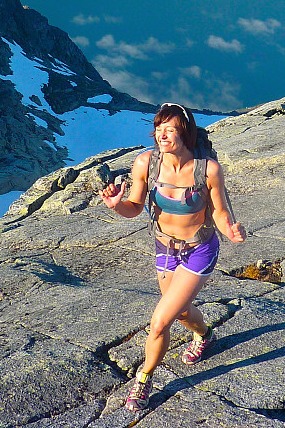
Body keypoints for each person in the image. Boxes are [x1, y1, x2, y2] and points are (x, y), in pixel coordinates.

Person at [100, 102, 245, 411]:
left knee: (159, 321)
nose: (162, 135)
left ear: (185, 133)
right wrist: (116, 205)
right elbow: (135, 207)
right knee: (179, 312)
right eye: (159, 128)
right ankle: (204, 334)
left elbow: (218, 212)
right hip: (164, 246)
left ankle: (143, 380)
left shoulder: (208, 170)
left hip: (199, 249)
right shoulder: (146, 164)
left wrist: (230, 230)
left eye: (170, 129)